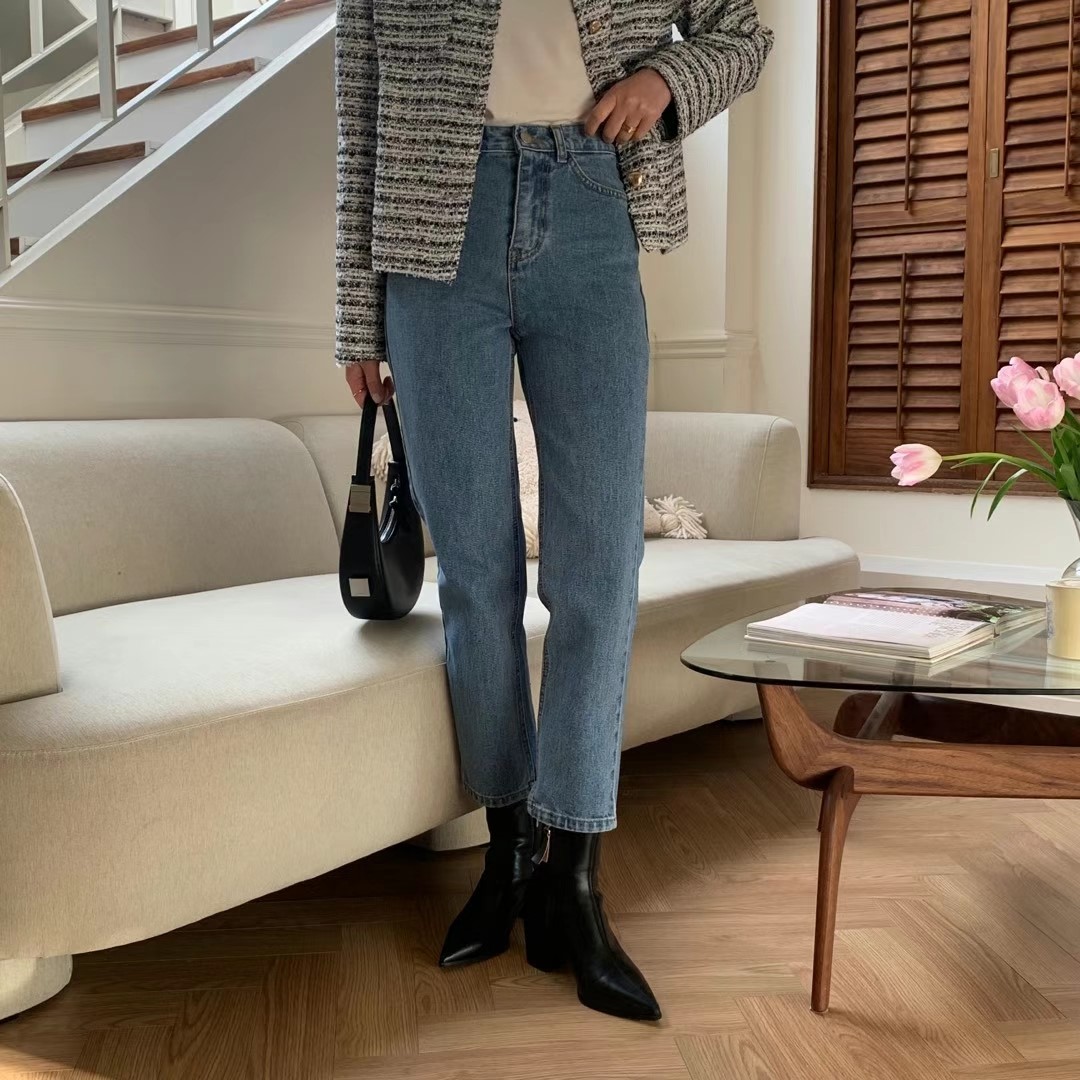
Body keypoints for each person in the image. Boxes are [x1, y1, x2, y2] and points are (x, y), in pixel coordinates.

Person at [334, 0, 773, 1022]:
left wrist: (662, 82)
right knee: (475, 573)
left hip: (591, 202)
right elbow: (360, 115)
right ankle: (508, 855)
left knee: (600, 569)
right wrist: (357, 317)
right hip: (431, 236)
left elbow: (743, 35)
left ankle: (572, 881)